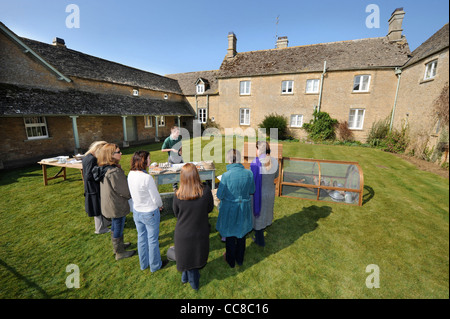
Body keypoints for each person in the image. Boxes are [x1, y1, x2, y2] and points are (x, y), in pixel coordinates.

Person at [173, 163, 214, 290]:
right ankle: (192, 282)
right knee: (193, 257)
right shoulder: (206, 191)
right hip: (199, 231)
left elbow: (176, 213)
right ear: (196, 175)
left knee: (187, 257)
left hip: (183, 233)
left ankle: (187, 278)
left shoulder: (177, 195)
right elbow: (210, 208)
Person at [93, 143, 135, 260]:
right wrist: (132, 195)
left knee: (116, 225)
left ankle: (119, 246)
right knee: (118, 225)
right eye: (118, 152)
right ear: (110, 155)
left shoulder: (103, 168)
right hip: (116, 204)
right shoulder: (114, 172)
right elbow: (123, 190)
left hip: (109, 203)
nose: (121, 153)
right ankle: (119, 252)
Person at [127, 151, 168, 272]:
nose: (150, 161)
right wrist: (160, 205)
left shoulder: (130, 174)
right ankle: (155, 265)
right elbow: (156, 198)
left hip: (137, 211)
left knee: (141, 238)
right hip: (149, 212)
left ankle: (143, 264)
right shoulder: (147, 178)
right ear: (143, 161)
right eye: (149, 159)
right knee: (152, 240)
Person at [215, 149, 255, 268]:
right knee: (241, 233)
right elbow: (252, 190)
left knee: (230, 234)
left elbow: (220, 195)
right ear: (239, 159)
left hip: (230, 209)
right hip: (244, 208)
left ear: (228, 160)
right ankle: (239, 259)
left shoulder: (226, 176)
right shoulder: (249, 173)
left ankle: (231, 260)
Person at [250, 141, 279, 247]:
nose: (256, 151)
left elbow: (251, 180)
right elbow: (276, 175)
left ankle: (260, 240)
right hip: (270, 192)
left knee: (258, 216)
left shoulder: (255, 162)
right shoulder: (275, 161)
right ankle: (260, 235)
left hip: (259, 194)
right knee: (265, 212)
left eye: (257, 148)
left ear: (260, 150)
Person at [82, 140, 110, 234]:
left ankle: (105, 223)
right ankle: (100, 229)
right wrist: (101, 175)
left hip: (91, 186)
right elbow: (89, 175)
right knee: (97, 207)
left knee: (99, 205)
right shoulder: (92, 159)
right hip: (93, 187)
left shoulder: (88, 157)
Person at [161, 126, 183, 190]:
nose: (178, 134)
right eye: (177, 132)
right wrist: (171, 149)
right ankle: (175, 187)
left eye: (179, 132)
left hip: (178, 157)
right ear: (173, 132)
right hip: (172, 158)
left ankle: (184, 184)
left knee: (184, 169)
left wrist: (181, 151)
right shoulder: (167, 140)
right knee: (174, 172)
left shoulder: (178, 138)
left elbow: (181, 145)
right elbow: (162, 149)